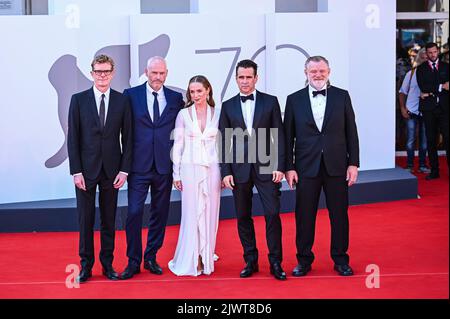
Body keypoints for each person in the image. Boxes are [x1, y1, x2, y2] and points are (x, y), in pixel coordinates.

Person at [284, 56, 359, 277]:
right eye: (313, 71)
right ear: (305, 73)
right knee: (304, 216)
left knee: (339, 215)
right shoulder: (293, 99)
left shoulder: (342, 96)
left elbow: (351, 133)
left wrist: (353, 163)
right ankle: (304, 260)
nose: (318, 75)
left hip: (337, 166)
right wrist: (289, 167)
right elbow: (288, 137)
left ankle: (341, 259)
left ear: (329, 71)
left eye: (322, 71)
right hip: (306, 167)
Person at [67, 54, 133, 283]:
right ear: (92, 73)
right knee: (85, 220)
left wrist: (124, 170)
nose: (102, 75)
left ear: (113, 73)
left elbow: (129, 138)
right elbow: (73, 138)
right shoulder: (78, 100)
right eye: (98, 71)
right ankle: (86, 267)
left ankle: (107, 265)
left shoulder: (122, 101)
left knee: (109, 219)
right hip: (85, 171)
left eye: (106, 71)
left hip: (112, 171)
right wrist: (76, 171)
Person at [219, 59, 286, 280]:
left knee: (272, 214)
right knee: (243, 216)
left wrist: (280, 166)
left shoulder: (270, 102)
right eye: (241, 77)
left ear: (256, 78)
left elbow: (280, 136)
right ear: (236, 79)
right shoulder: (228, 105)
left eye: (249, 77)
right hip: (238, 169)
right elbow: (223, 140)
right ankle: (251, 260)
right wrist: (226, 171)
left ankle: (275, 262)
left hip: (267, 166)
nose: (245, 81)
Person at [120, 56, 184, 280]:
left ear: (167, 74)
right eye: (154, 73)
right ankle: (133, 260)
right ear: (146, 72)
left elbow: (183, 129)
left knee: (160, 213)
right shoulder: (131, 95)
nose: (158, 77)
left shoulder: (176, 98)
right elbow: (123, 130)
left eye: (162, 73)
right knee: (135, 212)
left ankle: (151, 257)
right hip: (138, 165)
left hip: (164, 165)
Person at [169, 75, 222, 276]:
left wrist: (225, 173)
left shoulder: (218, 113)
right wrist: (176, 174)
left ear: (208, 90)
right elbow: (178, 145)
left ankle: (206, 256)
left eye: (199, 91)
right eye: (192, 91)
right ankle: (193, 258)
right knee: (192, 214)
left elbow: (223, 145)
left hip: (212, 168)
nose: (196, 95)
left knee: (210, 213)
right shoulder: (183, 114)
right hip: (189, 169)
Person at [416, 42, 449, 180]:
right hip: (429, 110)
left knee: (448, 139)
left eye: (435, 52)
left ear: (438, 51)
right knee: (431, 140)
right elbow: (423, 86)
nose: (433, 55)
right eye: (430, 52)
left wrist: (432, 89)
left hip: (445, 109)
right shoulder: (421, 69)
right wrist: (441, 86)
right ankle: (434, 171)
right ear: (427, 53)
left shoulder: (446, 67)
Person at [398, 48, 430, 173]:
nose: (424, 58)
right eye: (422, 56)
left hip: (426, 112)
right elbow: (402, 92)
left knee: (424, 141)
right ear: (418, 58)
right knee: (410, 140)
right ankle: (410, 165)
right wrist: (402, 108)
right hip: (411, 111)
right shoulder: (411, 74)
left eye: (426, 56)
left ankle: (422, 165)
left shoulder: (433, 74)